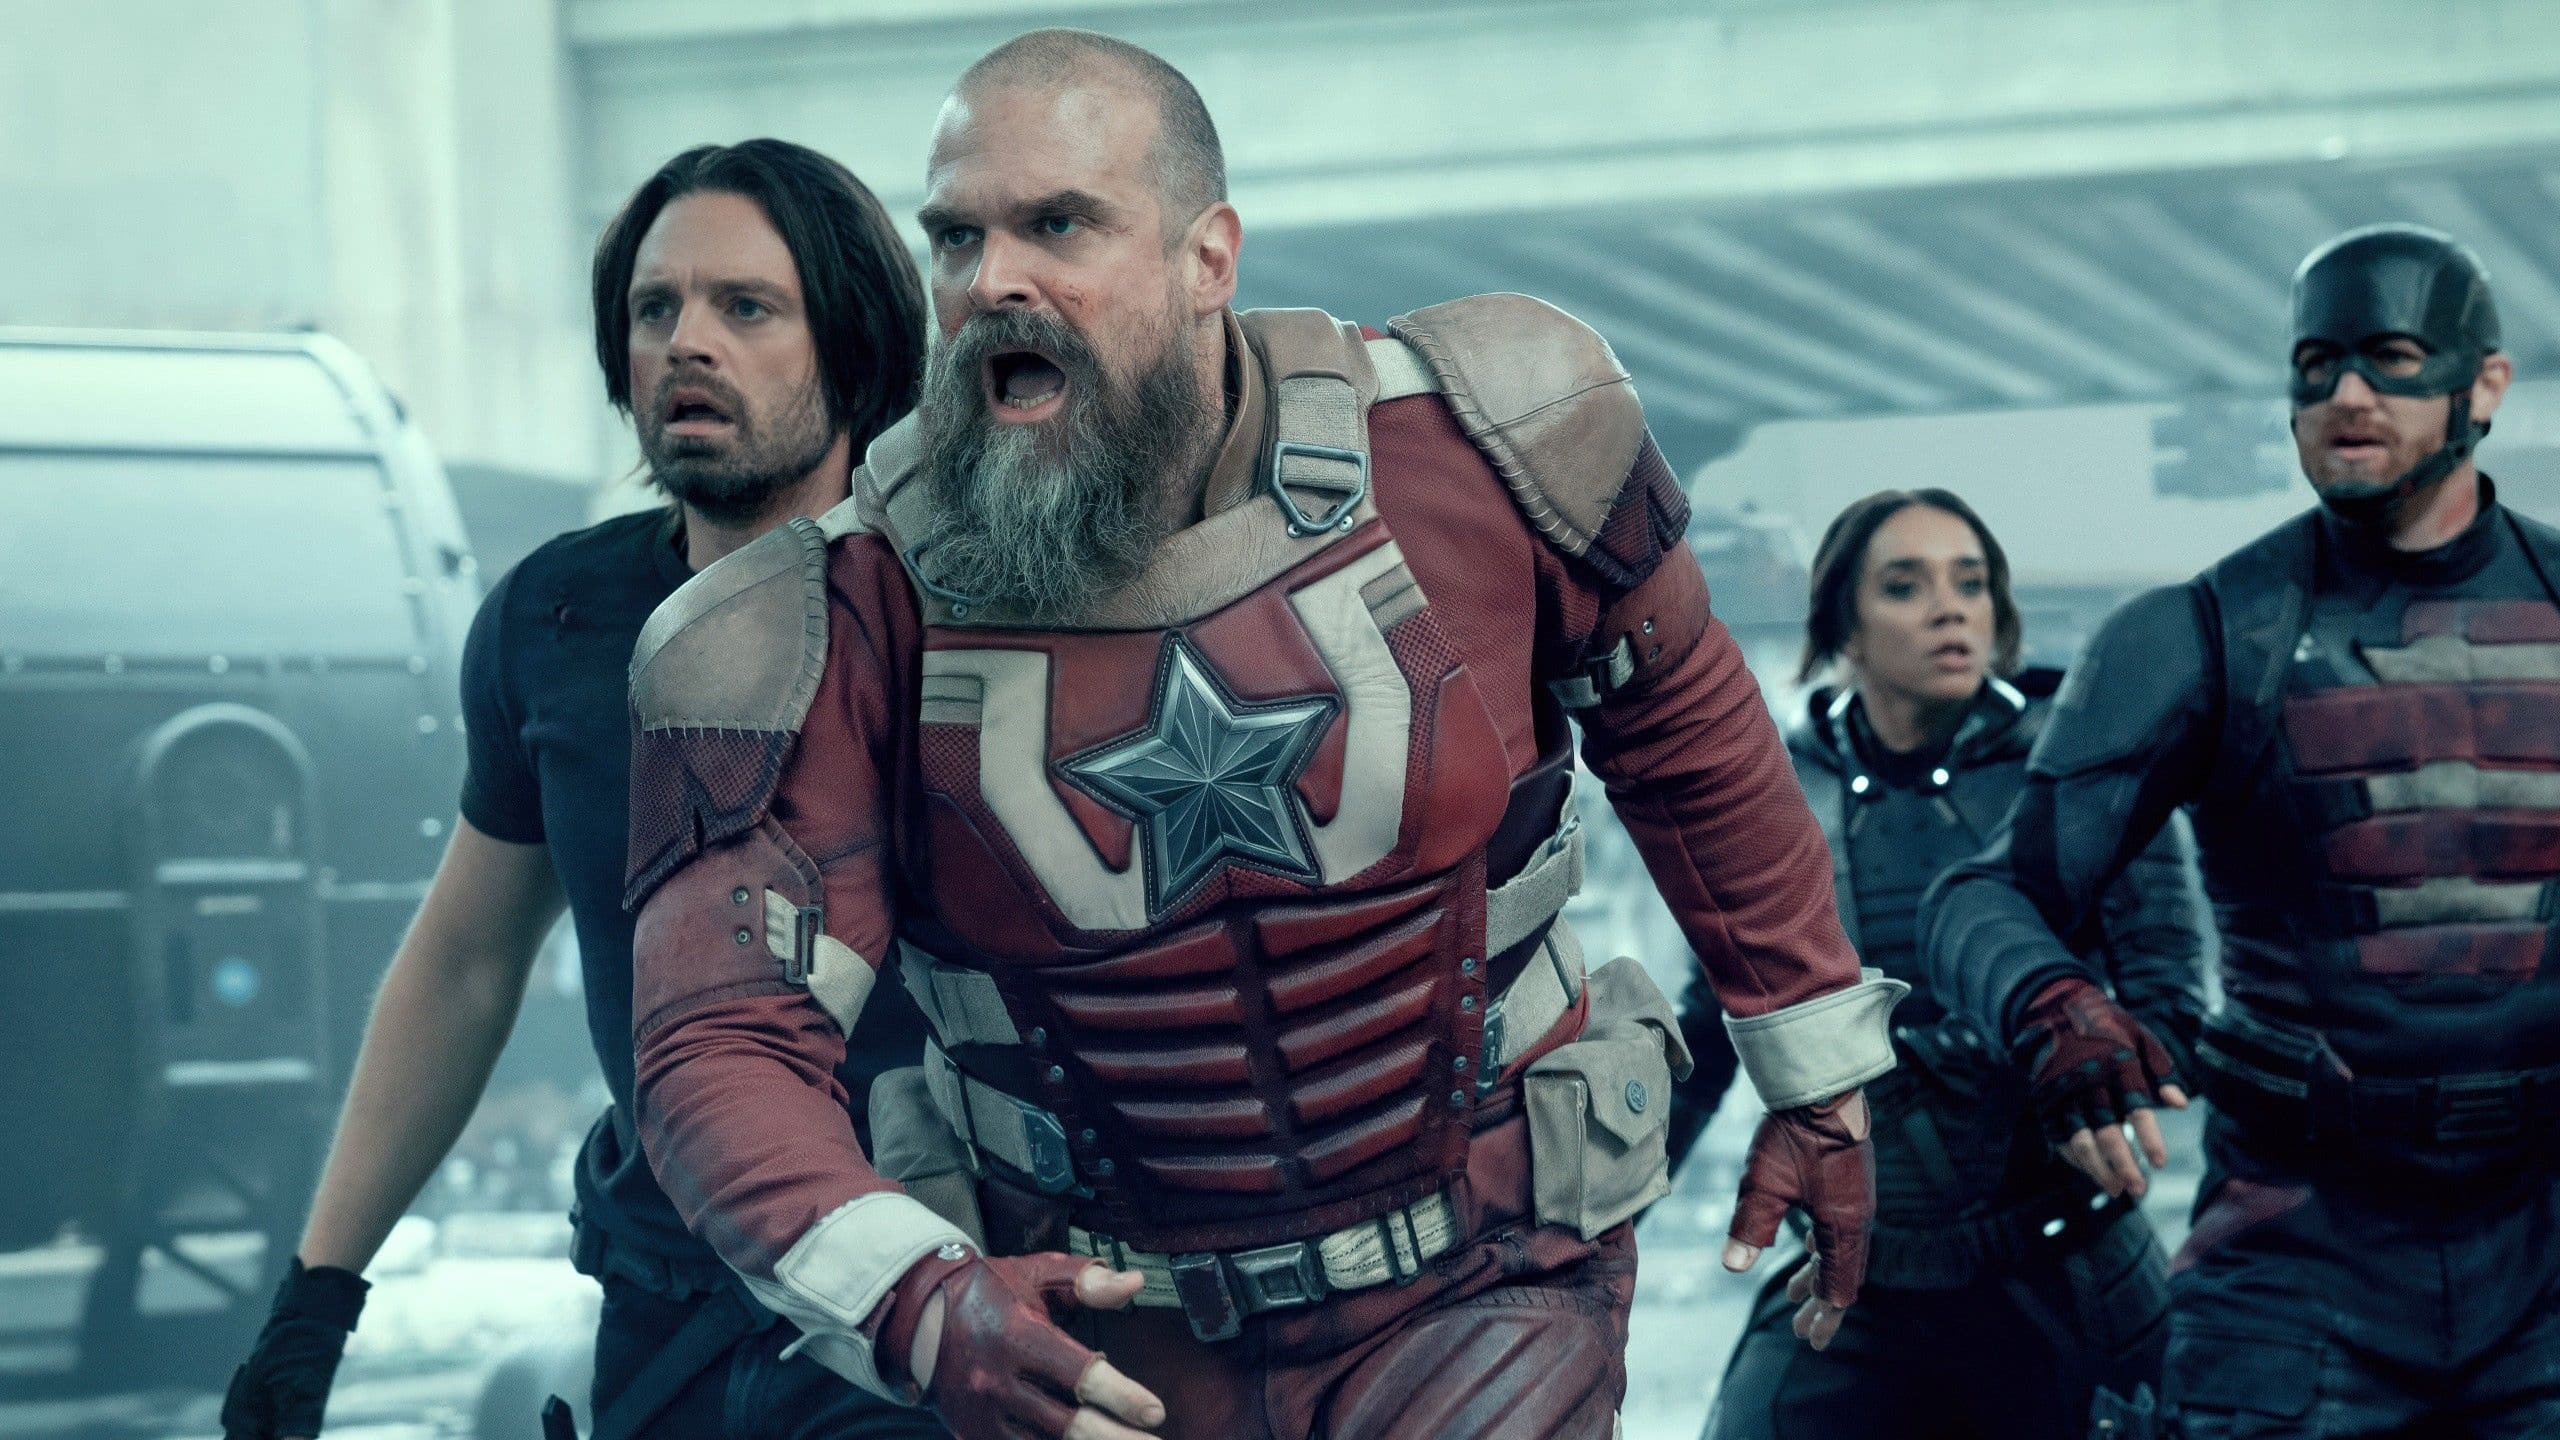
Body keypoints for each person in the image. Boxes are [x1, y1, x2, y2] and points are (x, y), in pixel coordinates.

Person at [622, 29, 1907, 1440]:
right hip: (1106, 1348)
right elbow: (723, 1044)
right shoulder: (836, 622)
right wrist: (917, 1304)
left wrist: (1816, 1069)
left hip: (1490, 1282)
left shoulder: (1493, 449)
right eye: (958, 238)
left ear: (1208, 258)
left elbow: (1685, 731)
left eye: (1060, 226)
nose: (993, 283)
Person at [220, 140, 942, 1440]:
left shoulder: (968, 615)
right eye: (655, 309)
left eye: (746, 307)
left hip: (921, 1316)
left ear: (851, 348)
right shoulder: (556, 618)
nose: (686, 342)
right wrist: (315, 1297)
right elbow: (464, 963)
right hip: (663, 1316)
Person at [1924, 223, 2560, 1438]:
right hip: (2296, 1261)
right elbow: (1982, 895)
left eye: (2391, 358)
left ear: (2483, 386)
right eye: (2315, 365)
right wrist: (2055, 1009)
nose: (2346, 396)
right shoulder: (2202, 634)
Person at [1663, 489, 2205, 1439]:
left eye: (1971, 583)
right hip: (1852, 1280)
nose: (1950, 609)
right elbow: (1710, 1033)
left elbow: (2171, 1012)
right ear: (1845, 627)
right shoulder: (1777, 795)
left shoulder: (2081, 779)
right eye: (1905, 587)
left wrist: (2092, 1067)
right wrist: (1588, 1221)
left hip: (2064, 1269)